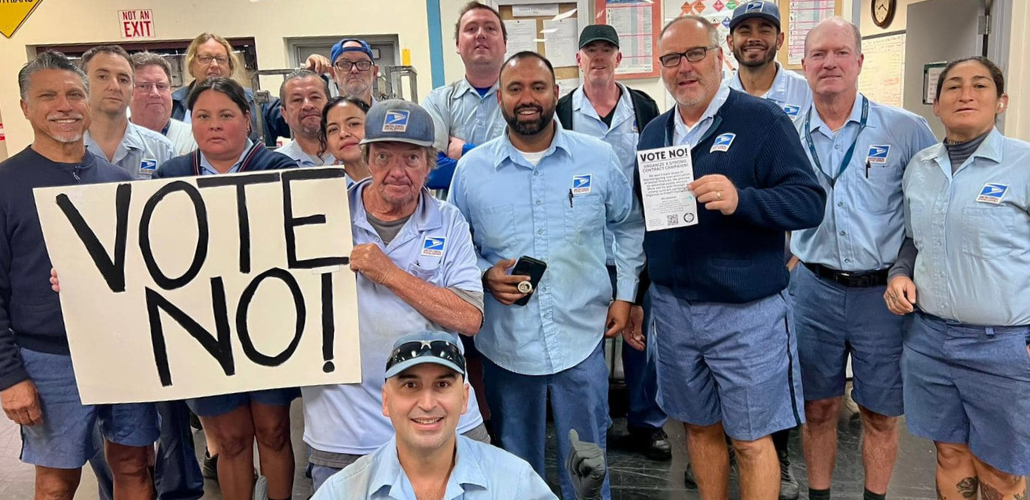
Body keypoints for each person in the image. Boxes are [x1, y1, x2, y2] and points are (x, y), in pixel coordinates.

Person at [638, 16, 825, 500]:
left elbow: (809, 202)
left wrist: (744, 199)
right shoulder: (655, 133)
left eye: (695, 54)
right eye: (672, 59)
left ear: (718, 55)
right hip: (675, 311)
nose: (685, 68)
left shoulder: (761, 120)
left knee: (750, 439)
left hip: (747, 316)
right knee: (697, 429)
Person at [449, 51, 645, 500]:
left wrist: (626, 293)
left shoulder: (595, 159)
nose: (527, 98)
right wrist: (481, 275)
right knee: (516, 468)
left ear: (557, 93)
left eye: (538, 87)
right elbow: (457, 249)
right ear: (500, 97)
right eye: (515, 88)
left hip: (581, 338)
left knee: (588, 466)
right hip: (507, 346)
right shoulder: (471, 172)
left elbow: (629, 224)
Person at [301, 99, 489, 493]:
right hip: (346, 424)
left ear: (431, 163)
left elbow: (469, 318)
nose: (397, 172)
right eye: (384, 156)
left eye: (412, 158)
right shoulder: (323, 212)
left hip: (438, 412)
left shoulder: (448, 220)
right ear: (366, 157)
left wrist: (389, 273)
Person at [0, 51, 159, 500]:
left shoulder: (115, 182)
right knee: (56, 482)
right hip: (49, 358)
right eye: (47, 96)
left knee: (133, 465)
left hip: (124, 351)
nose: (64, 106)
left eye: (74, 94)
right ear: (25, 107)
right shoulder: (6, 185)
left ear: (88, 104)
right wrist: (9, 378)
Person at [789, 18, 936, 500]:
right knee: (819, 409)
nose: (829, 62)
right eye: (818, 54)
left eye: (840, 52)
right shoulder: (787, 134)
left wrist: (906, 273)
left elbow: (927, 216)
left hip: (882, 296)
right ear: (805, 65)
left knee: (878, 412)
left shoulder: (906, 130)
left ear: (859, 61)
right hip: (813, 291)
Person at [885, 56, 1030, 500]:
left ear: (1001, 101)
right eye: (953, 87)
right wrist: (900, 273)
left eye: (980, 85)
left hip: (1002, 345)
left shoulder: (1022, 165)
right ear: (936, 104)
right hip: (930, 339)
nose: (966, 94)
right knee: (949, 453)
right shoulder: (920, 168)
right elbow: (912, 238)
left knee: (1000, 469)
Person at [154, 77, 297, 500]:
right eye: (203, 116)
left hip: (270, 322)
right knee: (231, 439)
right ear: (190, 121)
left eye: (226, 115)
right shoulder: (169, 176)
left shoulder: (279, 170)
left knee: (273, 431)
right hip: (204, 329)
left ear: (247, 119)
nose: (214, 125)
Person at [553, 23, 669, 462]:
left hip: (635, 239)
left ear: (619, 59)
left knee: (641, 331)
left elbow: (657, 172)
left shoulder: (644, 106)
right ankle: (592, 420)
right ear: (579, 60)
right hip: (580, 243)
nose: (598, 57)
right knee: (584, 338)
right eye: (590, 51)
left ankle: (647, 422)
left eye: (607, 50)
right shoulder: (562, 111)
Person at [312, 332, 609, 500]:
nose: (427, 403)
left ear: (465, 398)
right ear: (386, 401)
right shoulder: (345, 492)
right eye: (410, 385)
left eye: (442, 384)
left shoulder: (515, 483)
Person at [423, 1, 509, 190]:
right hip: (455, 218)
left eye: (490, 28)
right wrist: (501, 165)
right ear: (457, 45)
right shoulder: (438, 102)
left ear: (505, 45)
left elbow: (532, 166)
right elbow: (431, 173)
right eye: (471, 29)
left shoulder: (524, 101)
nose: (480, 34)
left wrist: (464, 151)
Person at [170, 32, 289, 147]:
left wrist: (306, 78)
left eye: (221, 59)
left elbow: (294, 121)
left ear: (230, 66)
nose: (214, 65)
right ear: (192, 64)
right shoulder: (173, 104)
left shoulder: (257, 102)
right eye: (206, 58)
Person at [80, 45, 176, 180]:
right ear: (82, 85)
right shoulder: (63, 149)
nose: (114, 86)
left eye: (123, 79)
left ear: (132, 90)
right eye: (102, 76)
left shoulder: (162, 150)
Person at [725, 1, 811, 118]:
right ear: (730, 42)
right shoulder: (719, 97)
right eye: (744, 31)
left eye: (764, 30)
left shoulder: (807, 93)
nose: (754, 38)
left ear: (779, 40)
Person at [129, 51, 198, 155]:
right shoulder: (114, 139)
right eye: (144, 86)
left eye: (161, 86)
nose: (155, 93)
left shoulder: (194, 138)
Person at [276, 69, 334, 166]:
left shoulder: (357, 156)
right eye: (297, 99)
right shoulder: (275, 165)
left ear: (330, 105)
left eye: (315, 97)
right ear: (284, 114)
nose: (307, 105)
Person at [304, 39, 380, 107]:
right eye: (345, 64)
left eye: (363, 63)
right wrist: (309, 73)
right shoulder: (324, 119)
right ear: (332, 73)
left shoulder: (387, 117)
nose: (354, 70)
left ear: (374, 72)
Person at [320, 95, 372, 185]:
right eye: (333, 129)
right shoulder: (323, 188)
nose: (343, 134)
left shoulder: (397, 176)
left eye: (353, 124)